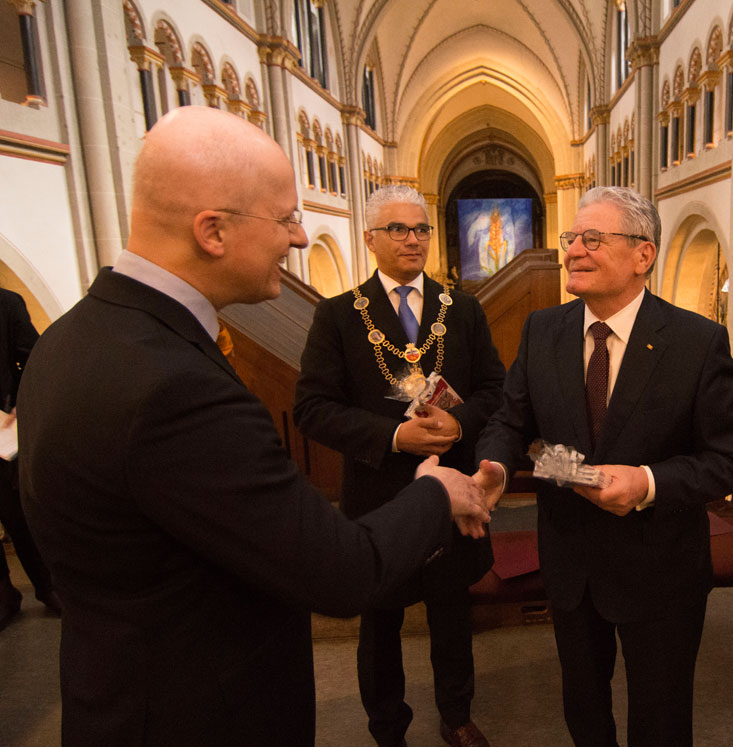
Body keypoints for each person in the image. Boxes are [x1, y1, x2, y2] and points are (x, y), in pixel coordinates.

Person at [17, 106, 490, 747]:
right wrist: (438, 491)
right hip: (197, 716)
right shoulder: (172, 385)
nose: (299, 239)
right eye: (287, 218)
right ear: (211, 231)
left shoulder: (70, 338)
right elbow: (338, 571)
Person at [473, 186, 733, 746]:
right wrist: (496, 469)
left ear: (642, 255)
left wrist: (648, 482)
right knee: (583, 703)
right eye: (571, 238)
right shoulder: (542, 330)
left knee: (661, 714)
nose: (574, 250)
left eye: (593, 239)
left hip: (661, 567)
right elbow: (511, 420)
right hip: (570, 560)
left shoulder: (697, 342)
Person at [294, 185, 505, 747]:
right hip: (380, 495)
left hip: (453, 489)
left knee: (451, 614)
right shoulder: (338, 315)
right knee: (380, 623)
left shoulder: (462, 308)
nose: (413, 240)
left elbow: (495, 389)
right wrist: (392, 434)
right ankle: (387, 728)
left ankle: (456, 716)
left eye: (422, 229)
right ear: (370, 238)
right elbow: (311, 408)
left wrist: (460, 425)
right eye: (398, 230)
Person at [0, 288, 60, 630]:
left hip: (2, 429)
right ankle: (3, 594)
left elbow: (35, 355)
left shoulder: (6, 303)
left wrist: (23, 398)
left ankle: (48, 586)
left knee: (18, 513)